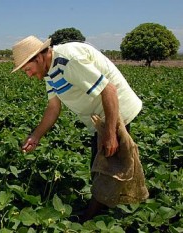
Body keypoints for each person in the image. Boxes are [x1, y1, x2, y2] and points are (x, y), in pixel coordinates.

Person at [11, 35, 142, 221]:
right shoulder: (49, 72)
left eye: (28, 69)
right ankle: (104, 209)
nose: (29, 74)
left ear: (38, 58)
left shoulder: (68, 61)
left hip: (117, 112)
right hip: (99, 120)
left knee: (107, 169)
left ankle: (89, 221)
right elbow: (53, 108)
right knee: (98, 167)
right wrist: (35, 136)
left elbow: (109, 90)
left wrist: (111, 133)